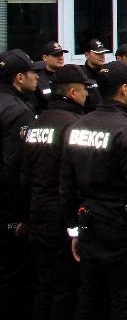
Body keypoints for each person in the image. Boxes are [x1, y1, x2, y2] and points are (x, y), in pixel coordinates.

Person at [60, 60, 127, 319]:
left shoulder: (78, 126)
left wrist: (74, 230)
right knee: (124, 304)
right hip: (121, 231)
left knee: (90, 300)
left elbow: (67, 185)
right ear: (124, 89)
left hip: (89, 226)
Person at [20, 63, 89, 320]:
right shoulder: (74, 126)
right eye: (84, 90)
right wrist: (78, 225)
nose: (87, 95)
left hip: (38, 216)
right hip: (62, 220)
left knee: (44, 284)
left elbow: (24, 176)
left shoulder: (37, 123)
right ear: (72, 93)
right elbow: (78, 181)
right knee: (66, 287)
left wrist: (26, 214)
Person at [0, 50, 41, 317]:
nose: (36, 77)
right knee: (12, 276)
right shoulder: (19, 112)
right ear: (18, 77)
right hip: (7, 209)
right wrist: (23, 214)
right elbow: (15, 169)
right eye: (31, 72)